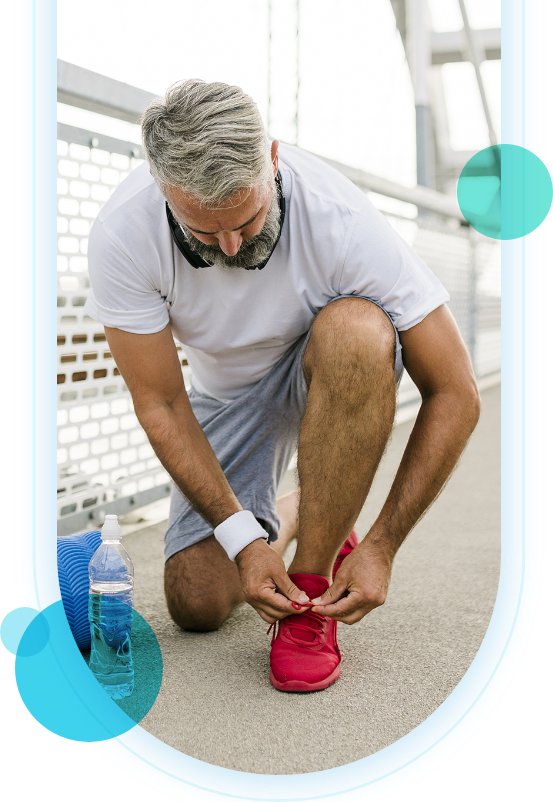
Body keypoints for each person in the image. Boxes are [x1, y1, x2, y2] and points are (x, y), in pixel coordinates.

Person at [84, 79, 481, 693]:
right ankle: (301, 511)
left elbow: (456, 390)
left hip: (325, 371)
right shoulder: (121, 234)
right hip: (227, 397)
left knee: (359, 328)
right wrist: (244, 543)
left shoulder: (342, 219)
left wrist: (382, 545)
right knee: (196, 602)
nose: (232, 246)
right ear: (165, 191)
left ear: (272, 160)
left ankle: (313, 586)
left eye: (246, 219)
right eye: (205, 232)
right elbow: (161, 402)